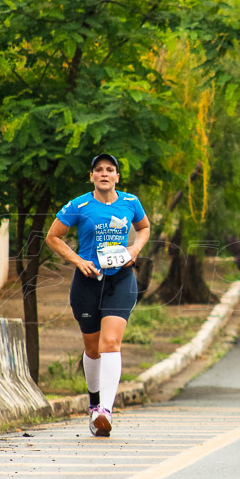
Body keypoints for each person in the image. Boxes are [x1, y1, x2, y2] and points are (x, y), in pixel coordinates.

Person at [45, 154, 150, 438]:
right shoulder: (78, 205)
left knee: (111, 342)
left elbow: (144, 228)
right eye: (99, 170)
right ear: (92, 176)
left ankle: (105, 410)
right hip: (88, 281)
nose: (105, 174)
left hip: (121, 279)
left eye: (110, 170)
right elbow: (53, 237)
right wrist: (78, 261)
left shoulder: (130, 202)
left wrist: (134, 251)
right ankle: (93, 404)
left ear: (117, 176)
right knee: (92, 349)